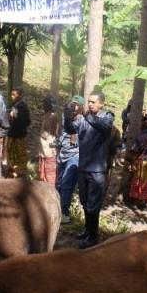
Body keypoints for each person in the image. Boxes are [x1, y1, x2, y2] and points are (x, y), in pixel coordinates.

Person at [64, 91, 114, 249]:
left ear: (102, 103)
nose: (90, 104)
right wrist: (67, 115)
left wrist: (86, 115)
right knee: (85, 202)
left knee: (93, 204)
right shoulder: (83, 119)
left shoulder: (107, 116)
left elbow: (105, 128)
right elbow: (71, 129)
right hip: (83, 167)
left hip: (97, 169)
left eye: (94, 102)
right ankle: (87, 231)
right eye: (89, 101)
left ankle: (93, 237)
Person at [56, 96, 84, 225]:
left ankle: (64, 213)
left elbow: (73, 128)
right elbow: (61, 133)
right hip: (62, 153)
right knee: (59, 183)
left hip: (75, 155)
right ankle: (58, 210)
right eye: (72, 105)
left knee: (67, 184)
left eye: (76, 105)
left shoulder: (82, 120)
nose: (73, 108)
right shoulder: (65, 117)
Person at [6, 86, 30, 177]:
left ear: (20, 96)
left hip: (19, 137)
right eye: (11, 94)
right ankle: (12, 173)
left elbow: (26, 122)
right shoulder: (15, 105)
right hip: (12, 135)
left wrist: (15, 117)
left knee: (20, 156)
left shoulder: (23, 107)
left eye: (14, 95)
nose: (11, 96)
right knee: (11, 155)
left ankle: (19, 175)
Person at [38, 95, 59, 184]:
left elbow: (55, 133)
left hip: (50, 151)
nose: (43, 105)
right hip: (43, 150)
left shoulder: (53, 117)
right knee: (42, 176)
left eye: (45, 104)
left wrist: (46, 134)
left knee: (50, 177)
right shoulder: (45, 115)